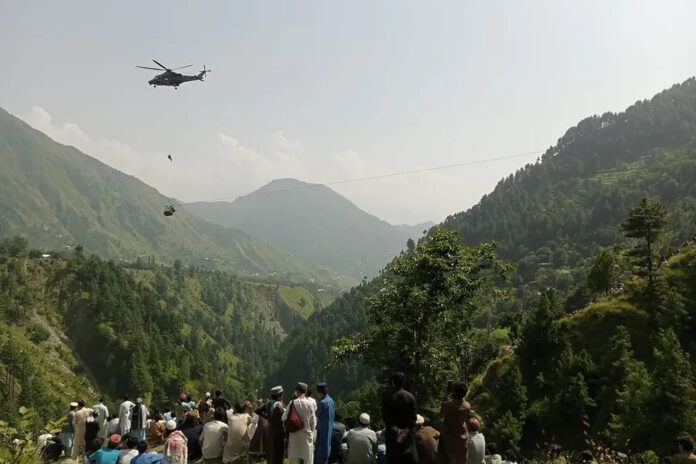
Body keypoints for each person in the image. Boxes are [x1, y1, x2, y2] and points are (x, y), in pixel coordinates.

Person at [381, 372, 418, 464]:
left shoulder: (387, 397)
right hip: (407, 435)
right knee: (409, 459)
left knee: (393, 459)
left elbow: (386, 417)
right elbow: (413, 418)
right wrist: (404, 431)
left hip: (392, 435)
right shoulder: (410, 397)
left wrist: (398, 431)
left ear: (393, 382)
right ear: (403, 382)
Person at [282, 382, 317, 464]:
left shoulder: (292, 403)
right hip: (306, 435)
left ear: (297, 391)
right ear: (305, 391)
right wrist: (311, 431)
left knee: (295, 460)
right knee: (308, 460)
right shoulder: (310, 403)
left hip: (294, 435)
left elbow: (283, 417)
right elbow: (313, 422)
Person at [437, 381, 470, 464]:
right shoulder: (467, 406)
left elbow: (441, 412)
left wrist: (446, 395)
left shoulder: (447, 405)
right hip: (462, 437)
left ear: (454, 392)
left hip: (449, 438)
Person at [260, 386, 285, 464]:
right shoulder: (279, 405)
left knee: (271, 452)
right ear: (280, 395)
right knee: (278, 453)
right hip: (278, 432)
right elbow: (283, 419)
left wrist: (268, 418)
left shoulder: (268, 403)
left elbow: (257, 411)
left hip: (271, 430)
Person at [315, 383, 336, 464]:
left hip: (321, 435)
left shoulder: (323, 403)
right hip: (328, 433)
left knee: (319, 458)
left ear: (320, 393)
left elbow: (316, 416)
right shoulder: (331, 401)